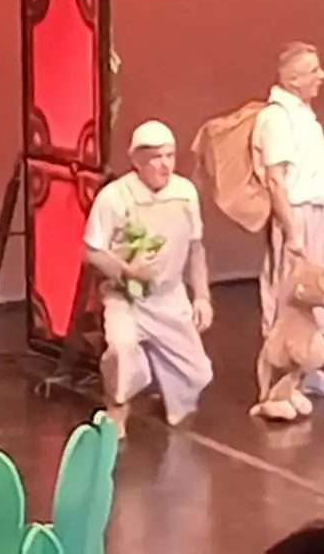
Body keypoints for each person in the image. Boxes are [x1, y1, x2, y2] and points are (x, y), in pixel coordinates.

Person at [82, 120, 215, 437]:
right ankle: (118, 409)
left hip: (169, 297)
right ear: (137, 161)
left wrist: (202, 296)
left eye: (170, 155)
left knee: (196, 374)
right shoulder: (115, 197)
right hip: (125, 297)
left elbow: (196, 248)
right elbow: (92, 251)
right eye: (156, 157)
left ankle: (161, 387)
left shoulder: (185, 193)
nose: (165, 164)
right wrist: (127, 271)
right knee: (122, 350)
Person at [253, 41, 324, 399]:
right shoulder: (277, 118)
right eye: (313, 71)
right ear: (293, 80)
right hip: (296, 214)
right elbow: (276, 179)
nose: (322, 76)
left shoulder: (302, 112)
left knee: (316, 293)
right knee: (288, 295)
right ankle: (279, 381)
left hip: (316, 213)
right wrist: (292, 229)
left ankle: (307, 372)